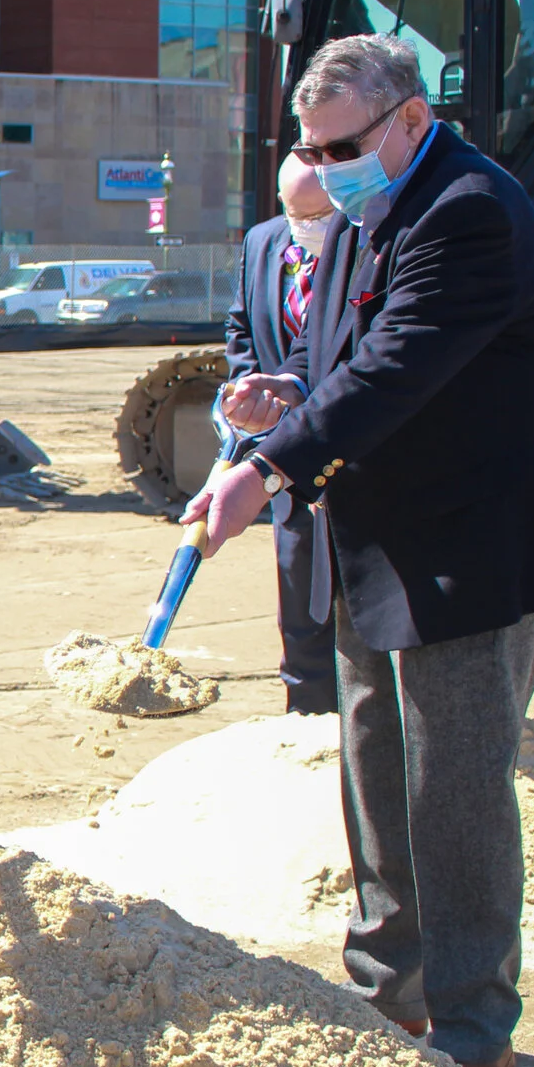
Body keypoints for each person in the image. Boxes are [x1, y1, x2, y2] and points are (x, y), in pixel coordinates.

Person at [190, 34, 534, 1067]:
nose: (323, 171)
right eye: (310, 151)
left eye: (341, 147)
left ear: (411, 117)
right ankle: (386, 985)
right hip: (375, 541)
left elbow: (401, 364)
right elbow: (340, 362)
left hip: (471, 547)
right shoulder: (362, 212)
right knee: (373, 765)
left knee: (452, 786)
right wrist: (283, 392)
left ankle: (472, 1026)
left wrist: (269, 467)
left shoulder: (468, 209)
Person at [222, 152, 342, 715]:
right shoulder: (262, 241)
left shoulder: (372, 244)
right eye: (294, 215)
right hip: (284, 460)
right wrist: (253, 391)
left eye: (317, 218)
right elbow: (242, 324)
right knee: (300, 608)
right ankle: (306, 720)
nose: (304, 229)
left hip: (351, 449)